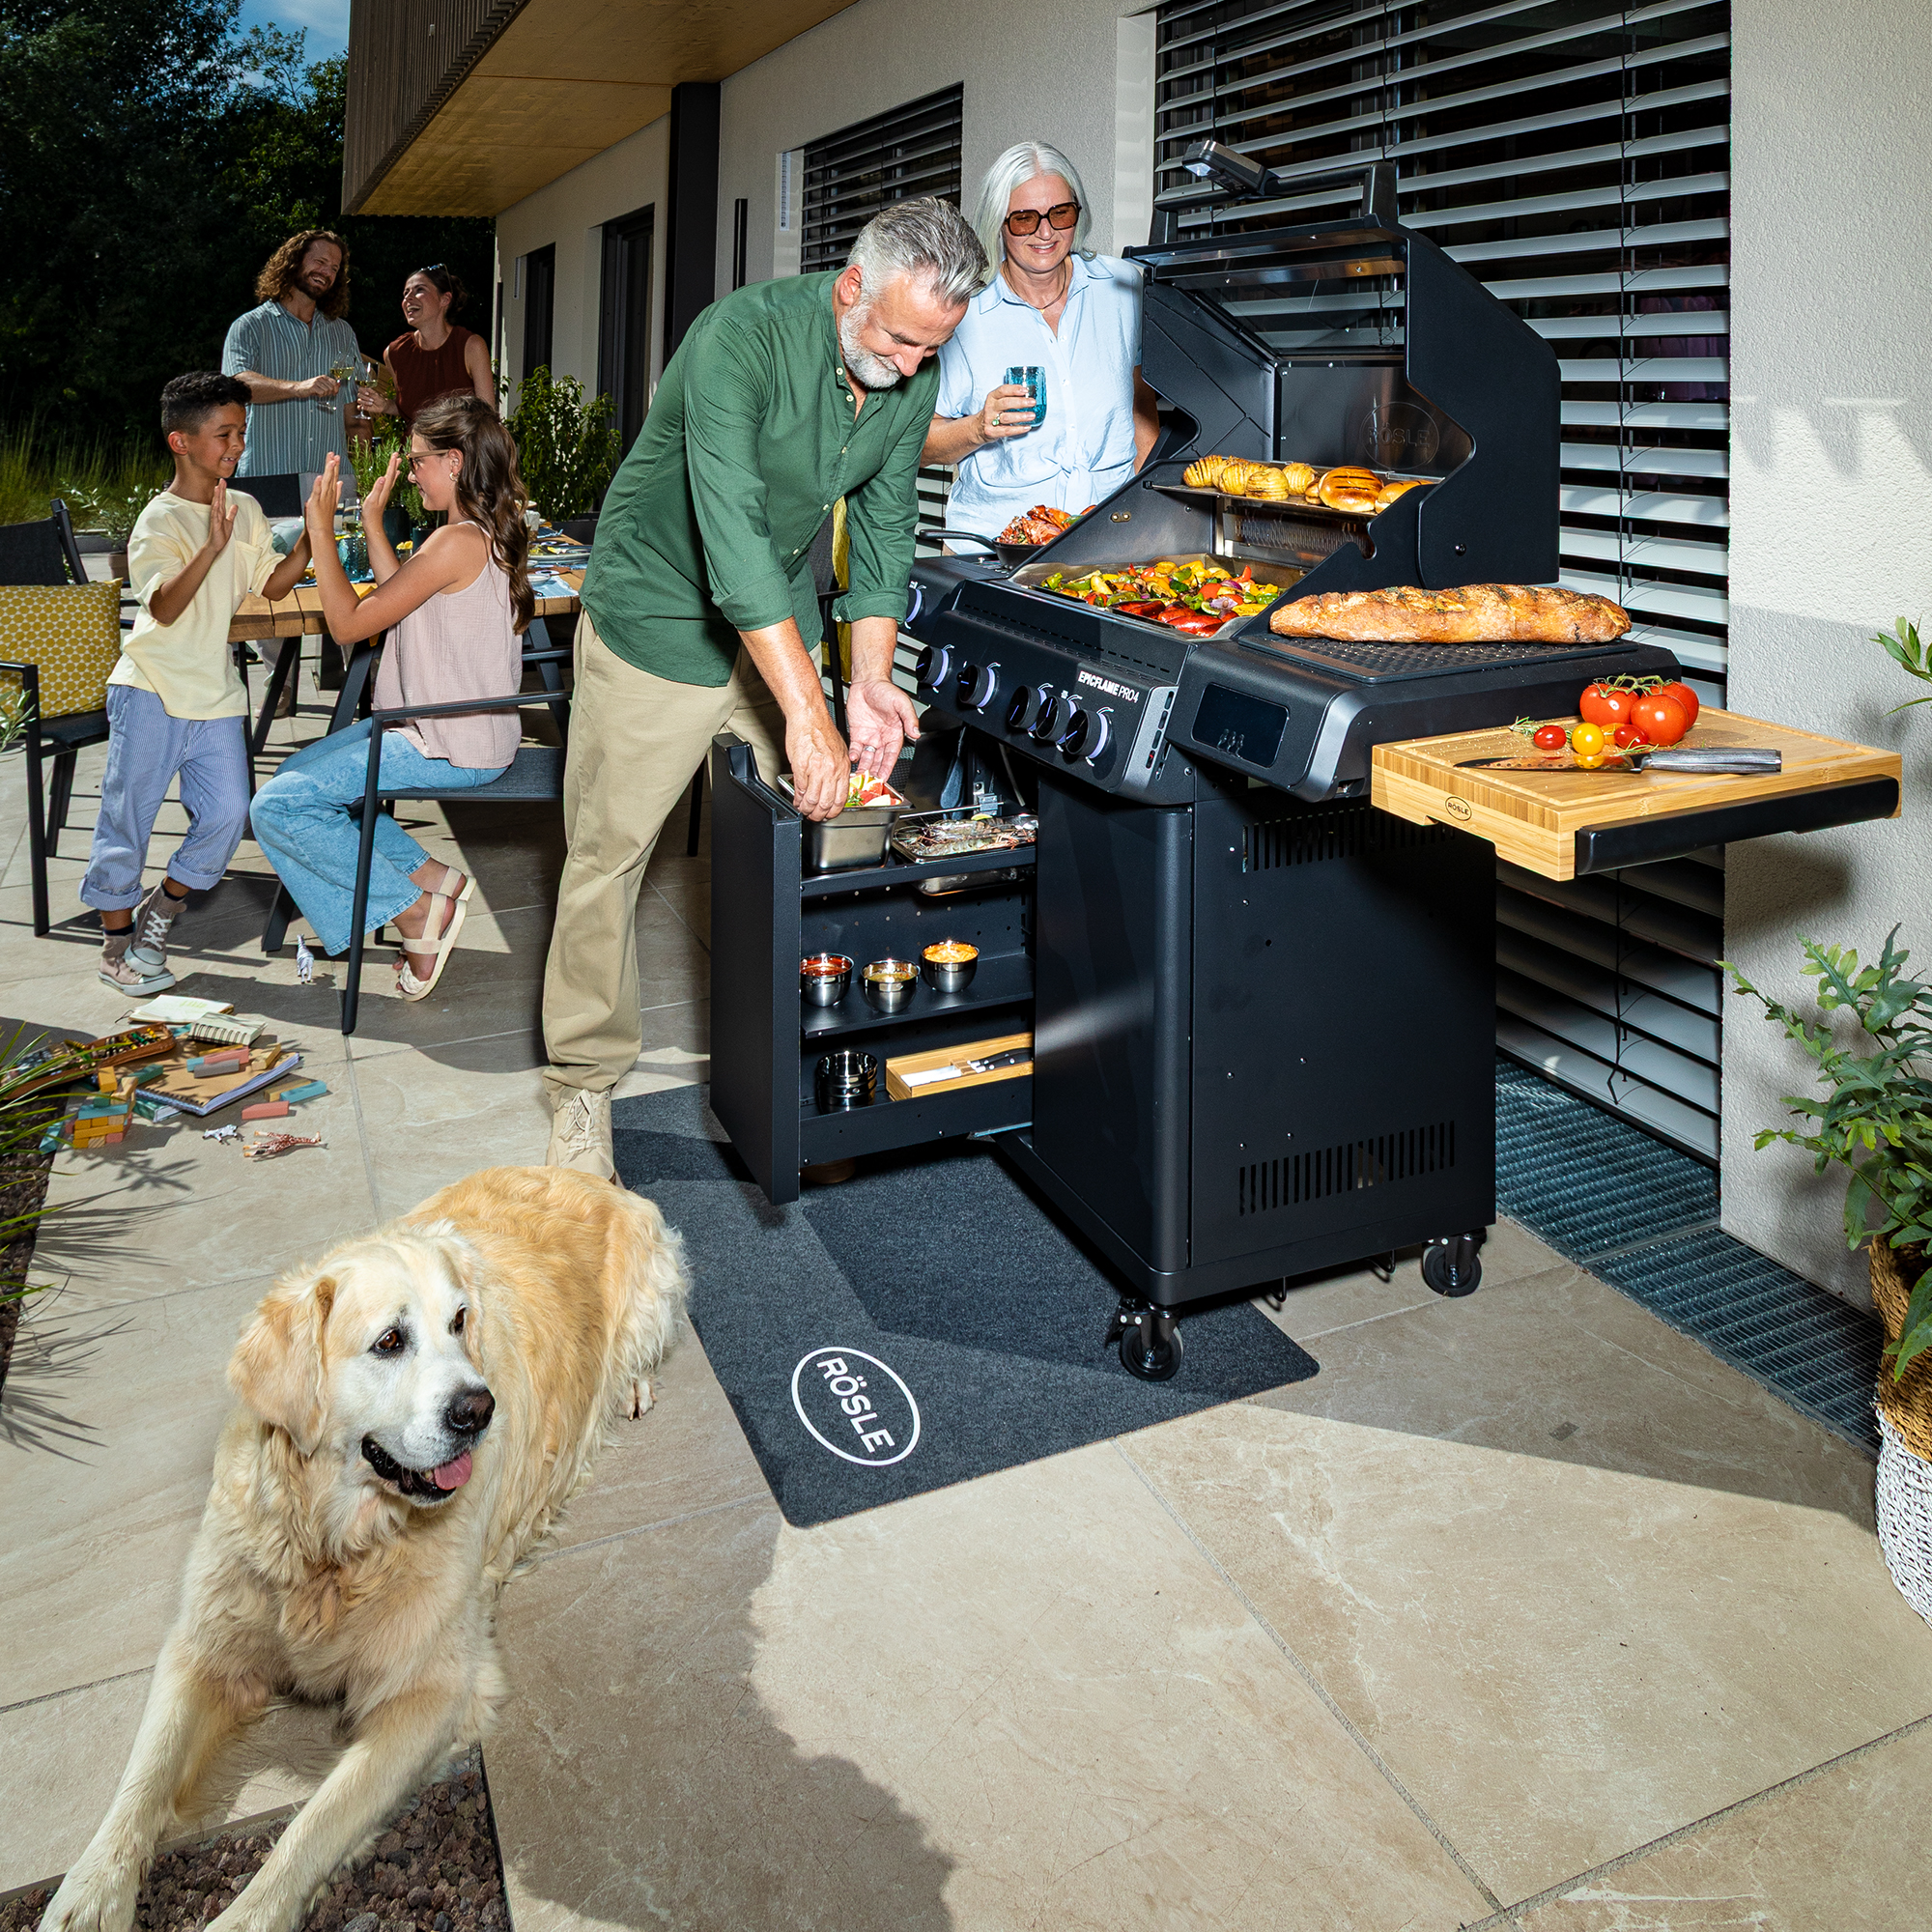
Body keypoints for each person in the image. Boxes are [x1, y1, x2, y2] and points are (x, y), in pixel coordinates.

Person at [541, 196, 985, 1180]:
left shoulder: (909, 370)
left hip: (775, 622)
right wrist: (806, 711)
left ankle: (803, 1070)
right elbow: (733, 534)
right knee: (608, 857)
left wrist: (866, 682)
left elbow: (883, 529)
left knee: (818, 838)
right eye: (901, 339)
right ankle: (582, 1087)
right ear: (851, 288)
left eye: (933, 347)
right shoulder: (736, 340)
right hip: (656, 616)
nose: (917, 364)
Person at [249, 396, 531, 1000]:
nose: (411, 472)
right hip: (458, 728)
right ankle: (431, 878)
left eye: (418, 460)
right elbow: (399, 597)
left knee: (279, 807)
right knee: (297, 777)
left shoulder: (454, 542)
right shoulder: (473, 534)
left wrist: (319, 532)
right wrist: (374, 525)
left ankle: (415, 911)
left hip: (450, 740)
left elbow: (349, 625)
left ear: (455, 462)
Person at [84, 373, 313, 993]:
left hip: (215, 693)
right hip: (151, 690)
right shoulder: (157, 521)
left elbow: (273, 583)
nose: (237, 445)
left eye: (242, 432)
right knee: (127, 822)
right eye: (224, 434)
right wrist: (210, 546)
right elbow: (162, 607)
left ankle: (161, 911)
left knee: (228, 816)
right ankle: (115, 947)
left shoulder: (247, 509)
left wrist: (313, 534)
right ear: (180, 441)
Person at [924, 142, 1161, 537]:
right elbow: (918, 444)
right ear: (998, 222)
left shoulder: (1123, 287)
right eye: (1024, 219)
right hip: (995, 546)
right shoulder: (963, 311)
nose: (1046, 232)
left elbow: (1140, 404)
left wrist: (1149, 511)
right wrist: (979, 428)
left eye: (1060, 213)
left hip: (1105, 538)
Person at [221, 230, 364, 486]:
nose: (326, 272)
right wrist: (298, 388)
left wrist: (365, 472)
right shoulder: (250, 326)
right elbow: (236, 387)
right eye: (320, 262)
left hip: (330, 480)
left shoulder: (342, 333)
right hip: (267, 477)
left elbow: (353, 418)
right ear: (294, 261)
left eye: (334, 268)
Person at [356, 264, 497, 428]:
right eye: (405, 293)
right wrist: (385, 405)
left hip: (460, 444)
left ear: (445, 299)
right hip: (415, 444)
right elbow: (410, 410)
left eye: (419, 290)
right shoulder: (395, 353)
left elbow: (488, 416)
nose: (408, 298)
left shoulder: (471, 346)